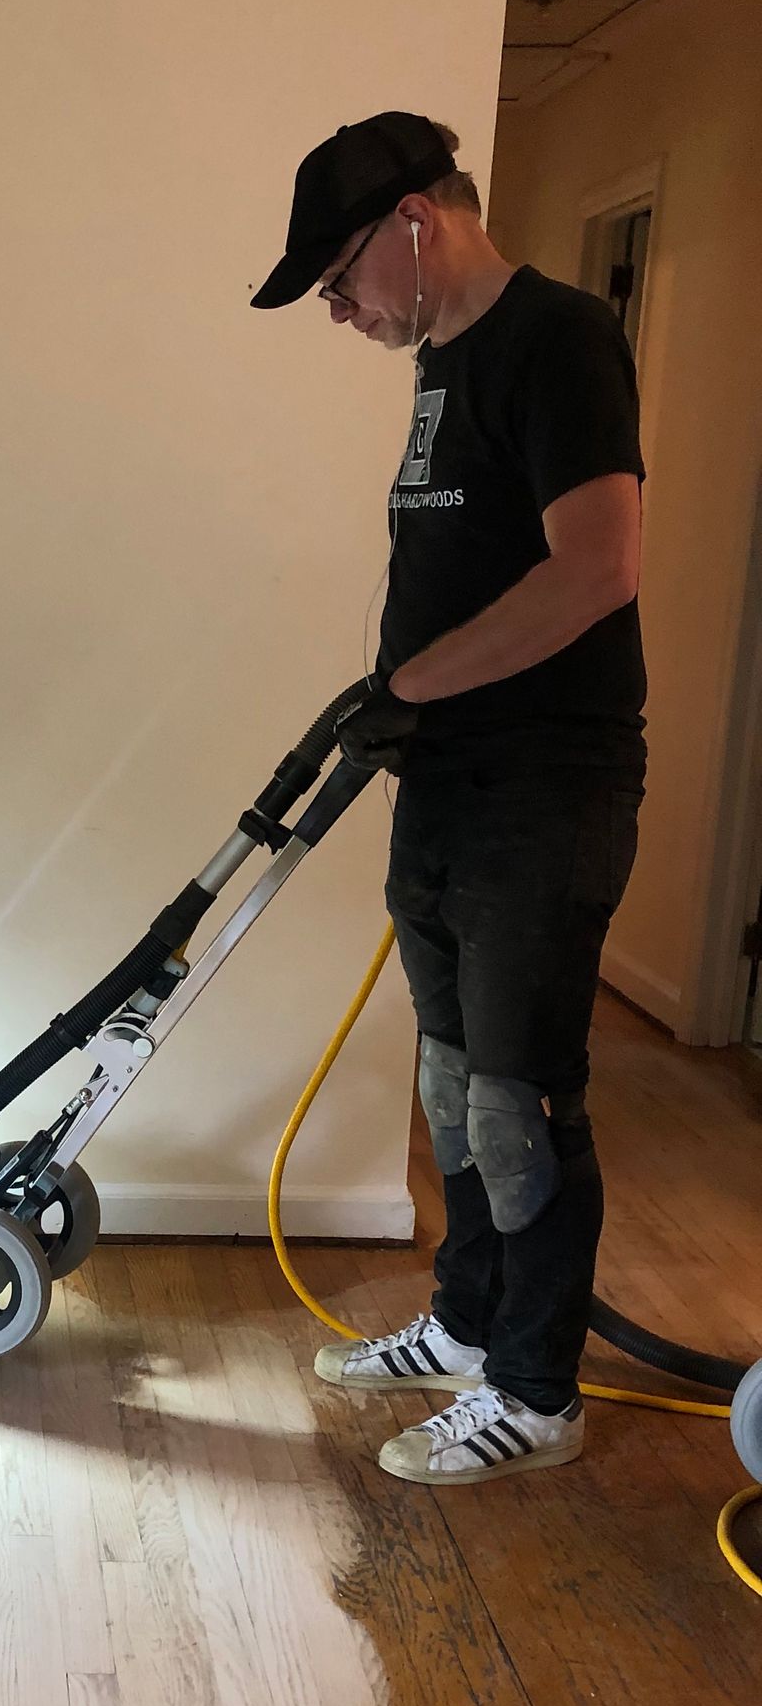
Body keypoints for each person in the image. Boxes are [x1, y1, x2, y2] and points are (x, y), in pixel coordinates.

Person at [253, 111, 647, 1483]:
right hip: (451, 785)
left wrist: (414, 680)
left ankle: (538, 1395)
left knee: (518, 1099)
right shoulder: (448, 366)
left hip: (545, 787)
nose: (337, 308)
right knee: (453, 1074)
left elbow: (597, 567)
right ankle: (473, 1328)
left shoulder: (559, 342)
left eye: (341, 275)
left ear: (416, 222)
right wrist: (406, 705)